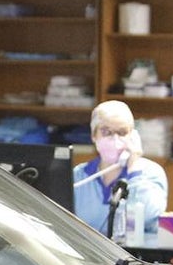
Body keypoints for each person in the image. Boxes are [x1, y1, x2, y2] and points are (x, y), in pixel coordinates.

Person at [72, 100, 168, 237]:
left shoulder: (150, 173)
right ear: (94, 135)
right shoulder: (79, 176)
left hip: (135, 255)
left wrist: (134, 169)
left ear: (133, 136)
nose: (114, 138)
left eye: (122, 132)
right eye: (106, 132)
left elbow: (147, 216)